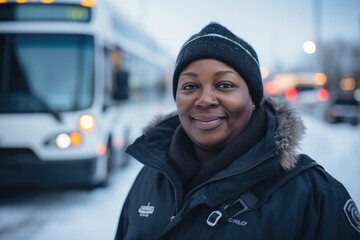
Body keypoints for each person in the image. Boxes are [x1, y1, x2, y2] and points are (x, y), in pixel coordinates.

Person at [115, 22, 360, 239]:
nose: (205, 99)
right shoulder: (150, 178)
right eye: (190, 86)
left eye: (224, 85)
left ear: (253, 98)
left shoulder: (314, 197)